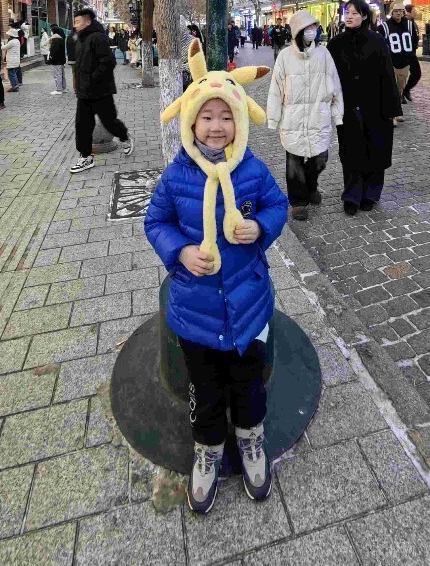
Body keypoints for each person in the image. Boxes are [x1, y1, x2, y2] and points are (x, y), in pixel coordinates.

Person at [144, 38, 288, 513]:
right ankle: (207, 450)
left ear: (240, 121)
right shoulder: (176, 176)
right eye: (207, 117)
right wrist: (180, 252)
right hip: (196, 310)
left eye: (227, 117)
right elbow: (155, 222)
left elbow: (277, 205)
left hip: (248, 305)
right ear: (190, 122)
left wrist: (261, 227)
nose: (217, 126)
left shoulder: (252, 170)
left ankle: (251, 441)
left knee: (248, 384)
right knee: (204, 390)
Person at [266, 10, 343, 221]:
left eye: (314, 27)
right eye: (308, 28)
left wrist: (337, 114)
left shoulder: (324, 55)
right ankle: (298, 202)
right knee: (294, 162)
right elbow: (276, 89)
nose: (312, 31)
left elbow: (335, 85)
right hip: (293, 118)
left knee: (321, 158)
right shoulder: (284, 57)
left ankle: (310, 187)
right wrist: (273, 117)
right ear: (298, 31)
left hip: (319, 116)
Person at [328, 0, 401, 214]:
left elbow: (388, 77)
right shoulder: (335, 44)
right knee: (350, 152)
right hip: (348, 108)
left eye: (354, 13)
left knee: (375, 151)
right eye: (346, 12)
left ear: (365, 16)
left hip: (376, 107)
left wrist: (392, 110)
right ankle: (351, 195)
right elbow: (328, 77)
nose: (349, 16)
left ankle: (371, 193)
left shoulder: (378, 42)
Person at [71, 7, 134, 173]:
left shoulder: (98, 38)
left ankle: (124, 137)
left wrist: (93, 79)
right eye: (74, 22)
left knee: (109, 122)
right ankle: (85, 157)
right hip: (84, 93)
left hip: (100, 92)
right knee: (82, 125)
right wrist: (77, 84)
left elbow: (108, 62)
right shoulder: (80, 39)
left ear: (88, 22)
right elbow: (79, 65)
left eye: (78, 22)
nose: (75, 25)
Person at [386, 2, 419, 120]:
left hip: (404, 62)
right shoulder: (385, 26)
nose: (399, 13)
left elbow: (415, 40)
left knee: (400, 88)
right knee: (392, 87)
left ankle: (397, 110)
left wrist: (410, 54)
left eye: (401, 10)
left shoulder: (409, 25)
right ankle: (393, 115)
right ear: (392, 12)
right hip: (391, 62)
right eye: (396, 11)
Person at [402, 4, 422, 102]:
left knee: (416, 74)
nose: (416, 13)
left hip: (412, 52)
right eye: (414, 11)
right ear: (407, 12)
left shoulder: (412, 22)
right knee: (402, 74)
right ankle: (401, 93)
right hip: (405, 53)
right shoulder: (404, 23)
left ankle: (406, 89)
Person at [48, 25, 67, 94]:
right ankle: (63, 88)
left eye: (51, 31)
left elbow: (53, 51)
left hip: (56, 61)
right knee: (62, 75)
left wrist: (51, 57)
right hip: (61, 60)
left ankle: (58, 89)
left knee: (57, 75)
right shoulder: (61, 39)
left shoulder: (55, 40)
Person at [2, 27, 22, 92]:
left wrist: (2, 43)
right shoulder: (17, 41)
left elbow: (3, 47)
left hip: (12, 61)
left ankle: (14, 86)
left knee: (11, 74)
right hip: (16, 60)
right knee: (14, 73)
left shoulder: (12, 42)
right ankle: (16, 85)